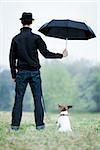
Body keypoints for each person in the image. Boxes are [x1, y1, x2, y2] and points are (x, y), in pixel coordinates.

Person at [9, 12, 68, 131]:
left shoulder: (15, 39)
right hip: (35, 73)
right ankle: (40, 126)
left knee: (18, 99)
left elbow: (11, 58)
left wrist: (13, 75)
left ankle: (15, 126)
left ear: (22, 22)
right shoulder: (36, 38)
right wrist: (61, 55)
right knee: (37, 99)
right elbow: (46, 54)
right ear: (31, 22)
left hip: (21, 73)